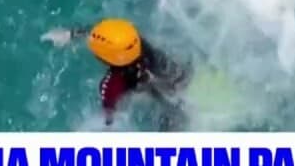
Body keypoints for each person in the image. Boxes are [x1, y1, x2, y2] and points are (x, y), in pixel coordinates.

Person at [41, 18, 191, 130]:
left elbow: (110, 113)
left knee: (168, 113)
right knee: (176, 83)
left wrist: (107, 122)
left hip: (149, 90)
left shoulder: (112, 83)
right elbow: (107, 38)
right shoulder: (136, 41)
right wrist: (72, 34)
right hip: (165, 73)